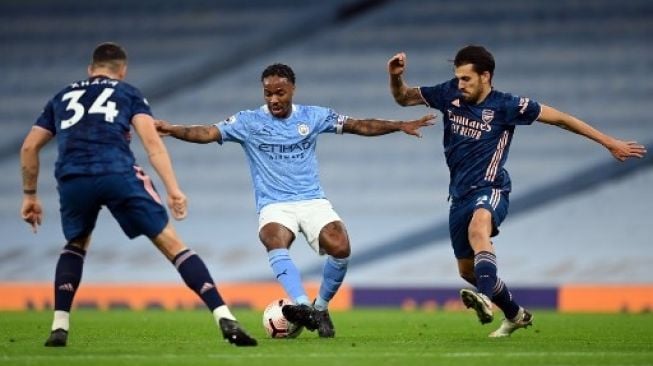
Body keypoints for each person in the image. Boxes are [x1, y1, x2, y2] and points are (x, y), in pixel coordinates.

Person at [155, 63, 434, 338]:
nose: (274, 99)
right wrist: (173, 129)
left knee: (341, 246)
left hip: (311, 199)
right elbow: (207, 132)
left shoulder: (312, 116)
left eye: (280, 93)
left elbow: (358, 125)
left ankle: (320, 308)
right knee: (272, 237)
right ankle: (302, 305)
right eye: (268, 94)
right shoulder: (248, 122)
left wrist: (400, 125)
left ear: (292, 90)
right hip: (275, 204)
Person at [387, 45, 647, 337]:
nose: (460, 85)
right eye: (458, 78)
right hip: (458, 196)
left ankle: (485, 299)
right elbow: (403, 98)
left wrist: (609, 142)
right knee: (467, 271)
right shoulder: (449, 93)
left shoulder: (507, 105)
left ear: (485, 76)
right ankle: (515, 315)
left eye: (466, 79)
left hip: (491, 187)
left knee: (479, 227)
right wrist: (396, 77)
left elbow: (561, 118)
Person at [20, 42, 257, 347]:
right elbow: (152, 144)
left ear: (90, 70)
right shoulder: (127, 92)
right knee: (173, 245)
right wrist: (173, 190)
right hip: (117, 171)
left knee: (76, 244)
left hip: (73, 175)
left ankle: (59, 326)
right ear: (123, 70)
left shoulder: (62, 96)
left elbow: (29, 147)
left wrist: (29, 196)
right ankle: (226, 318)